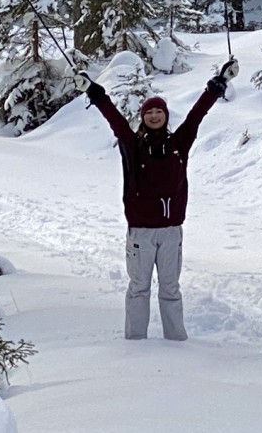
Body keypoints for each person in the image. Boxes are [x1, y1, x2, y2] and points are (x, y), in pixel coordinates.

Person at [73, 60, 237, 341]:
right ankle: (135, 342)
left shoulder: (179, 144)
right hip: (141, 233)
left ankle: (176, 341)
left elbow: (197, 116)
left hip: (171, 231)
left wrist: (217, 84)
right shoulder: (132, 145)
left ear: (165, 115)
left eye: (159, 111)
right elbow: (115, 119)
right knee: (139, 288)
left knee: (171, 288)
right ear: (143, 117)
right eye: (149, 112)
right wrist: (94, 91)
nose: (154, 115)